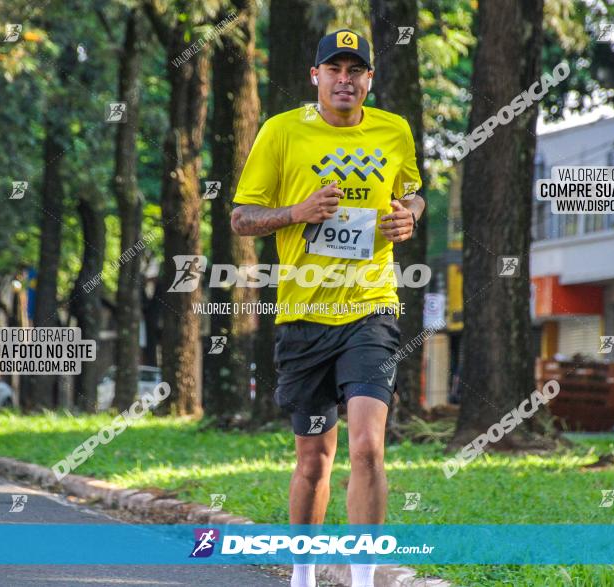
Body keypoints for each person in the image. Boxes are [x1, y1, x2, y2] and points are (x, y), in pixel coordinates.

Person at [230, 29, 425, 587]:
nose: (346, 79)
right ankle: (303, 574)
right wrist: (298, 212)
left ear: (370, 79)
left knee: (367, 446)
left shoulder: (394, 131)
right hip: (303, 317)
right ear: (315, 76)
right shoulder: (281, 132)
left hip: (371, 311)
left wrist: (408, 213)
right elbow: (242, 218)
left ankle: (363, 578)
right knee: (314, 457)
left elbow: (413, 191)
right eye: (334, 69)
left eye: (356, 70)